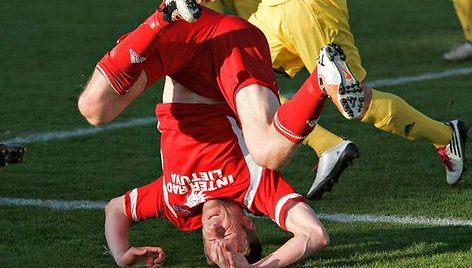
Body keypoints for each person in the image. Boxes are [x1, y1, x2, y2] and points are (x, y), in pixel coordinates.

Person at [76, 2, 357, 266]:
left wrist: (121, 254)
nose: (213, 229)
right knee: (267, 154)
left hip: (183, 39)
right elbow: (314, 235)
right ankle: (322, 79)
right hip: (229, 49)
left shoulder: (177, 207)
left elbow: (116, 209)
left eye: (210, 240)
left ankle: (164, 13)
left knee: (92, 108)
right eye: (226, 234)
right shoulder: (254, 189)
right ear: (248, 223)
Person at [205, 0, 469, 198]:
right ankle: (327, 146)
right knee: (234, 81)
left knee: (354, 101)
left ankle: (445, 135)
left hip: (311, 9)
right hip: (274, 8)